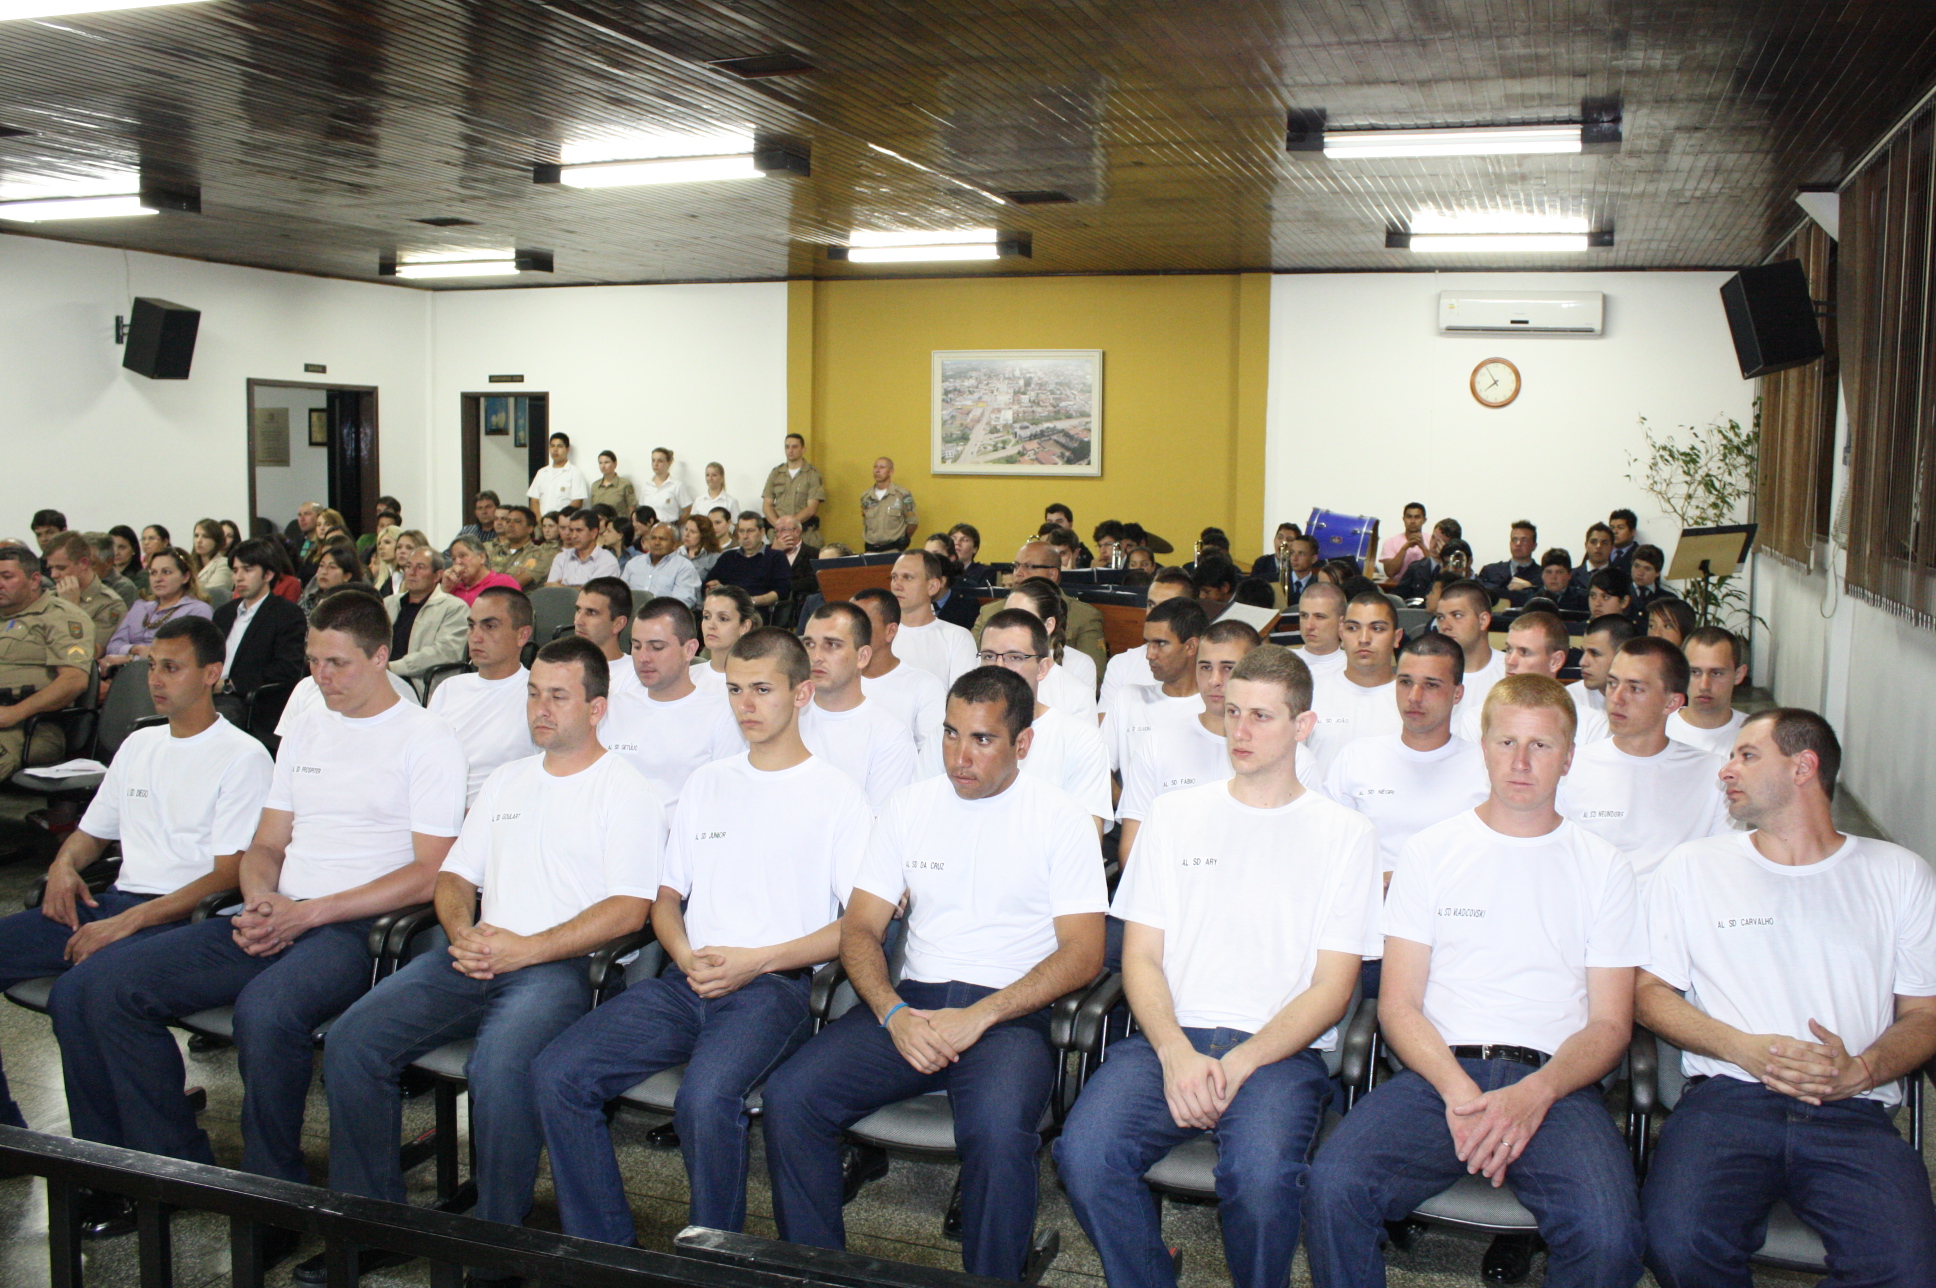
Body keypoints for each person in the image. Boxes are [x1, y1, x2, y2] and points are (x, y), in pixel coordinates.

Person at [56, 591, 466, 1250]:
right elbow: (266, 844)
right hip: (278, 911)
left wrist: (308, 913)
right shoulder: (306, 723)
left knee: (266, 1012)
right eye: (313, 661)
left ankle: (275, 1197)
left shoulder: (427, 738)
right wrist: (261, 899)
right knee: (99, 985)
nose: (321, 678)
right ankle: (170, 1167)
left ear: (381, 656)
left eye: (337, 664)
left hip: (359, 927)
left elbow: (430, 873)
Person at [322, 637, 659, 1273]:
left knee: (498, 1069)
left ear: (596, 708)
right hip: (477, 951)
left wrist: (526, 949)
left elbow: (628, 911)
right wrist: (462, 933)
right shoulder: (508, 779)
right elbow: (454, 878)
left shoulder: (625, 790)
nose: (541, 708)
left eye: (558, 696)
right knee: (352, 1041)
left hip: (561, 967)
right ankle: (374, 1220)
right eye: (534, 693)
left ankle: (496, 1244)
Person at [762, 666, 1108, 1279]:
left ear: (1022, 744)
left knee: (1000, 1136)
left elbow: (1083, 953)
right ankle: (818, 1271)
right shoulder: (911, 805)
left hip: (1009, 1014)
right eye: (950, 734)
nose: (959, 756)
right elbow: (861, 929)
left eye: (982, 739)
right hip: (912, 1005)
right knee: (792, 1098)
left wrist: (981, 1016)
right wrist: (892, 1013)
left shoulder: (1060, 818)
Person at [1303, 674, 1648, 1288]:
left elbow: (1610, 1025)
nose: (1520, 762)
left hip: (1556, 1084)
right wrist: (1461, 1094)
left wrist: (1534, 1094)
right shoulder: (1431, 853)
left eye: (1541, 746)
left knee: (1610, 1237)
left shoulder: (1604, 868)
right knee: (1333, 1187)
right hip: (1439, 1076)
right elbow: (1400, 1005)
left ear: (1569, 758)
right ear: (1482, 746)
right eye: (1506, 741)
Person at [1058, 643, 1380, 1288]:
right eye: (1233, 712)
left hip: (1280, 1053)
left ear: (1303, 726)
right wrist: (1176, 1053)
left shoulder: (1345, 833)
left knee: (1259, 1184)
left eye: (1262, 717)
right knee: (1084, 1156)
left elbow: (1334, 986)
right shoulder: (1177, 816)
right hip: (1167, 1038)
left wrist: (1239, 1063)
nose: (1241, 731)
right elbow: (1140, 956)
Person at [536, 628, 872, 1243]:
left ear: (801, 694)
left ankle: (712, 1255)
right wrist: (685, 953)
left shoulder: (837, 794)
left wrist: (758, 961)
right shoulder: (708, 782)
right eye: (737, 689)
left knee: (704, 1099)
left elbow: (859, 924)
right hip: (689, 977)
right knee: (558, 1072)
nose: (746, 704)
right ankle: (605, 1246)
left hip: (774, 987)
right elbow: (666, 898)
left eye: (763, 689)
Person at [1636, 708, 1936, 1287]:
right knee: (1675, 1243)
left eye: (1747, 755)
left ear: (1804, 767)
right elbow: (1648, 992)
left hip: (1851, 1108)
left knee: (1907, 1269)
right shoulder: (1695, 866)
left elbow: (1924, 1016)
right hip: (1728, 1098)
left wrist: (1863, 1069)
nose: (1726, 770)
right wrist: (1740, 1047)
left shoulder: (1898, 874)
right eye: (1729, 756)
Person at [0, 619, 271, 1149]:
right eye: (153, 667)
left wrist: (128, 921)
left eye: (172, 668)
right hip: (118, 904)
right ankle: (7, 1135)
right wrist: (63, 866)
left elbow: (226, 874)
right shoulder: (140, 744)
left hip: (183, 918)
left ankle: (151, 1159)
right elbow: (89, 835)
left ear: (212, 673)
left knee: (83, 991)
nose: (156, 680)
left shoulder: (242, 755)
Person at [1119, 616, 1318, 861]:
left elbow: (1304, 850)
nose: (1214, 680)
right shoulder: (1157, 744)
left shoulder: (1295, 757)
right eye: (1205, 667)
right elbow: (1133, 848)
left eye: (1228, 668)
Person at [1556, 637, 1731, 886]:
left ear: (1672, 703)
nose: (1616, 698)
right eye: (1612, 683)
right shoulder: (1568, 767)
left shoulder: (1714, 774)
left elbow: (1721, 865)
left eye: (1635, 688)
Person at [1324, 631, 1488, 887]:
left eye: (1431, 685)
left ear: (1457, 694)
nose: (1414, 697)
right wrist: (1371, 884)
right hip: (1372, 912)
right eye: (1405, 682)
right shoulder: (1357, 757)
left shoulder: (1486, 767)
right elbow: (1328, 847)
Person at [598, 596, 742, 809]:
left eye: (656, 647)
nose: (643, 657)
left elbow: (724, 799)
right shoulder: (613, 707)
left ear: (689, 650)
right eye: (636, 646)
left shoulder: (723, 715)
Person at [976, 609, 1112, 830]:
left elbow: (1086, 837)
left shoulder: (1081, 740)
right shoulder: (951, 733)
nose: (998, 668)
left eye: (1014, 657)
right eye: (989, 656)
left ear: (1042, 668)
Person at [795, 602, 918, 810]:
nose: (815, 657)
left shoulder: (890, 735)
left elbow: (880, 824)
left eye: (831, 645)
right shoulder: (784, 717)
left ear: (862, 657)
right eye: (809, 644)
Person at [428, 586, 538, 808]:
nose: (475, 637)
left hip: (499, 821)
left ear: (522, 635)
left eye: (489, 626)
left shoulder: (537, 697)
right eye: (471, 626)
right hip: (436, 814)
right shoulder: (448, 688)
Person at [1104, 596, 1208, 781]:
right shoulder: (1129, 697)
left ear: (1191, 647)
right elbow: (1098, 769)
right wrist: (1128, 805)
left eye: (1160, 643)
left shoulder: (1215, 707)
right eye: (1147, 643)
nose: (1149, 655)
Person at [972, 541, 1107, 673]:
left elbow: (1095, 676)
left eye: (1029, 566)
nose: (1018, 573)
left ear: (1052, 574)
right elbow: (969, 664)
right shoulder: (990, 611)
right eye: (1016, 566)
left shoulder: (1083, 616)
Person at [1305, 593, 1402, 777]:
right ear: (1341, 634)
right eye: (1353, 628)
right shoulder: (1311, 693)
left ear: (1397, 638)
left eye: (1377, 628)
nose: (1364, 638)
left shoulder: (1412, 701)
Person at [212, 538, 307, 726]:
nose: (238, 577)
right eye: (236, 570)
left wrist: (231, 685)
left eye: (247, 570)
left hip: (248, 700)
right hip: (208, 694)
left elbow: (286, 669)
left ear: (268, 574)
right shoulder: (223, 613)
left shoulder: (286, 614)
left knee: (213, 721)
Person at [853, 587, 947, 775]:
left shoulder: (924, 686)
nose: (851, 633)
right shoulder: (833, 682)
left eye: (862, 624)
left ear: (890, 631)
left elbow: (932, 760)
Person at [1495, 609, 1611, 745]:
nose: (1510, 661)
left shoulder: (1592, 725)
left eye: (1524, 652)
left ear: (1555, 661)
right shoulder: (1478, 717)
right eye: (1509, 650)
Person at [1098, 568, 1195, 723]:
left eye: (1165, 607)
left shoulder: (1205, 666)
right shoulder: (1122, 664)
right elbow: (1104, 728)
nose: (1153, 614)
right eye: (1151, 604)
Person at [1003, 577, 1097, 721]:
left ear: (1048, 625)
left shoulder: (1077, 692)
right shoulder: (988, 666)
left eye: (1023, 620)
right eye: (1004, 618)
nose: (1009, 629)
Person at [103, 547, 213, 665]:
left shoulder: (197, 610)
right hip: (124, 671)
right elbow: (113, 646)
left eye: (166, 572)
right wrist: (135, 649)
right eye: (153, 573)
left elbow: (182, 654)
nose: (158, 579)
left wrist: (131, 659)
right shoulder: (140, 606)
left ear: (185, 577)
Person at [888, 549, 978, 686]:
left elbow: (963, 699)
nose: (896, 585)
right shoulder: (879, 634)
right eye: (894, 577)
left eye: (907, 577)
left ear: (932, 586)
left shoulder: (957, 638)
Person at [384, 548, 468, 682]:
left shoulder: (454, 608)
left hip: (418, 685)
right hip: (381, 678)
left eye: (420, 567)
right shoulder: (388, 603)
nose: (412, 572)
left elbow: (444, 652)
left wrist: (393, 668)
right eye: (408, 566)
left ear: (437, 575)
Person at [1434, 580, 1503, 733]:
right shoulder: (1428, 673)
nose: (1445, 625)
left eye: (1457, 615)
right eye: (1440, 617)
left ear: (1483, 620)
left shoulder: (1511, 670)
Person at [1669, 625, 1748, 755]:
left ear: (1739, 675)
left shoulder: (1756, 737)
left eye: (1716, 673)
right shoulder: (1655, 732)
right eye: (1695, 672)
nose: (1704, 686)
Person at [44, 531, 126, 654]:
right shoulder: (49, 596)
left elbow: (87, 652)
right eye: (51, 567)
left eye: (61, 568)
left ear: (84, 563)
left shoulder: (110, 604)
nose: (53, 575)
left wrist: (71, 610)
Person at [708, 512, 790, 610]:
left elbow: (782, 591)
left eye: (750, 531)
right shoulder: (727, 557)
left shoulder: (776, 557)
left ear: (762, 532)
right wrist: (712, 588)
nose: (745, 536)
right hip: (726, 609)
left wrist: (751, 601)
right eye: (741, 531)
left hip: (757, 610)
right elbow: (708, 584)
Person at [762, 433, 828, 549]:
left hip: (804, 534)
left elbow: (811, 508)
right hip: (778, 535)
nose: (790, 450)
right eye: (787, 447)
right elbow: (767, 505)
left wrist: (790, 526)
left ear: (803, 449)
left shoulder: (812, 474)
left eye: (794, 447)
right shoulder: (776, 473)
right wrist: (780, 527)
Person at [573, 577, 634, 695]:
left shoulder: (634, 673)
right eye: (578, 610)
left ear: (618, 624)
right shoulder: (561, 665)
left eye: (591, 612)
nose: (578, 621)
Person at [693, 585, 758, 694]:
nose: (711, 625)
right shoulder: (688, 676)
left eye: (723, 619)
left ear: (744, 626)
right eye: (707, 617)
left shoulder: (758, 681)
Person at [622, 521, 702, 608]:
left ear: (675, 544)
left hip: (664, 618)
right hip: (631, 616)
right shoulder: (634, 563)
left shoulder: (684, 567)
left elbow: (681, 603)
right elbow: (620, 594)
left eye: (662, 539)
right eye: (653, 538)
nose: (656, 543)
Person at [1576, 613, 1636, 716]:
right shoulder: (1569, 700)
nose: (1582, 662)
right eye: (1583, 652)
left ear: (1622, 657)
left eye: (1595, 654)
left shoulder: (1651, 704)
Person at [546, 510, 620, 587]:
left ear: (594, 533)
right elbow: (551, 590)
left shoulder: (607, 561)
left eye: (579, 530)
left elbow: (595, 594)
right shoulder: (561, 558)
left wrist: (562, 587)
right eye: (571, 530)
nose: (573, 536)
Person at [442, 534, 520, 606]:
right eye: (453, 559)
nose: (457, 562)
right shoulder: (453, 588)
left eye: (463, 556)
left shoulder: (503, 583)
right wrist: (445, 590)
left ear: (482, 557)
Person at [859, 457, 917, 552]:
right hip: (871, 550)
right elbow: (866, 523)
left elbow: (912, 523)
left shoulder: (902, 495)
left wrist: (903, 541)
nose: (877, 470)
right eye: (875, 467)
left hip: (892, 549)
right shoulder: (866, 496)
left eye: (882, 467)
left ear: (891, 471)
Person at [488, 506, 553, 591]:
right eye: (508, 521)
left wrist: (490, 581)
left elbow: (514, 584)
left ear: (530, 528)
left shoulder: (538, 555)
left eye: (517, 522)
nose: (510, 525)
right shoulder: (495, 550)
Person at [1293, 581, 1349, 680]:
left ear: (1341, 622)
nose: (1309, 626)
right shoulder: (1283, 663)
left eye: (1319, 617)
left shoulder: (1355, 668)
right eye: (1304, 616)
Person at [1479, 520, 1542, 606]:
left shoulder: (1543, 575)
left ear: (1534, 546)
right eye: (1514, 539)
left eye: (1524, 540)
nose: (1518, 544)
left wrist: (1530, 587)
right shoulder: (1490, 571)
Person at [528, 432, 591, 515]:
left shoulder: (575, 473)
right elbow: (534, 501)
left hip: (564, 525)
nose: (555, 450)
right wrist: (541, 522)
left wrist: (561, 522)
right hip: (543, 524)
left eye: (559, 446)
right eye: (552, 446)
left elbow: (577, 503)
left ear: (567, 449)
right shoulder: (542, 473)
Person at [771, 515, 821, 610]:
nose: (779, 535)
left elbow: (812, 582)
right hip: (769, 601)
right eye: (777, 531)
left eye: (783, 530)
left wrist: (785, 586)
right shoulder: (768, 552)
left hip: (796, 604)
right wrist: (774, 554)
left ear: (797, 532)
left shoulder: (814, 553)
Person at [592, 449, 641, 517]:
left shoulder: (625, 484)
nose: (603, 466)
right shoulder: (595, 486)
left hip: (618, 524)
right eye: (600, 463)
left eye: (606, 462)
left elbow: (632, 509)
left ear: (615, 464)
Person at [1570, 522, 1615, 593]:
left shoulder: (1620, 578)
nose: (1598, 546)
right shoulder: (1571, 576)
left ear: (1612, 547)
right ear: (1586, 545)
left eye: (1604, 543)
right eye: (1593, 542)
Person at [1539, 548, 1587, 613]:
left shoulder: (1584, 599)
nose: (1554, 577)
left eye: (1559, 572)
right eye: (1549, 572)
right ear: (1542, 575)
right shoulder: (1530, 597)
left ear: (1570, 575)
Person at [679, 513, 724, 582]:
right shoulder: (676, 553)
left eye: (692, 532)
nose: (686, 534)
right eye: (686, 529)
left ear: (703, 535)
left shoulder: (714, 558)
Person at [107, 525, 148, 598]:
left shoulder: (142, 576)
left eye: (122, 547)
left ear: (133, 549)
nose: (116, 553)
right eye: (112, 547)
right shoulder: (105, 575)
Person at [1627, 544, 1668, 615]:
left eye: (1647, 569)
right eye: (1636, 566)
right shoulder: (1620, 594)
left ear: (1657, 573)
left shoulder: (1667, 599)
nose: (1640, 573)